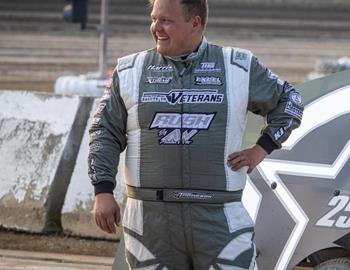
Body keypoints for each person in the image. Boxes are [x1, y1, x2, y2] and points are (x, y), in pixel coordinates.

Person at [88, 0, 304, 269]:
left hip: (219, 218)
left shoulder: (238, 66)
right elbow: (104, 131)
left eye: (166, 20)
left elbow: (290, 101)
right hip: (150, 220)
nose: (156, 28)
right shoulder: (130, 70)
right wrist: (103, 191)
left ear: (195, 23)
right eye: (154, 19)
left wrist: (261, 148)